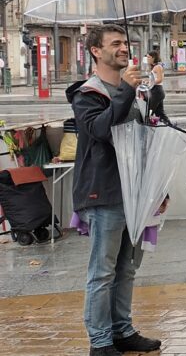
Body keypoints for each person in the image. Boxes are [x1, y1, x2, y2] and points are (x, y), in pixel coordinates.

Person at [67, 24, 161, 356]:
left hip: (134, 191)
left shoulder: (128, 89)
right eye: (116, 43)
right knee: (103, 270)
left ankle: (122, 330)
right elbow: (101, 130)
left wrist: (153, 94)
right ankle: (100, 341)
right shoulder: (87, 94)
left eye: (125, 43)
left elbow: (147, 132)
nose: (124, 48)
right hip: (104, 192)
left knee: (127, 267)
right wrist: (124, 93)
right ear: (96, 51)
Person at [144, 51, 169, 124]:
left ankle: (147, 126)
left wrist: (150, 83)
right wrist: (146, 81)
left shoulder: (157, 67)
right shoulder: (155, 67)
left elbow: (159, 79)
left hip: (157, 91)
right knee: (160, 113)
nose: (147, 59)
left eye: (148, 57)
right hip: (156, 91)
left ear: (153, 58)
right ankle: (169, 125)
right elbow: (154, 79)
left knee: (149, 111)